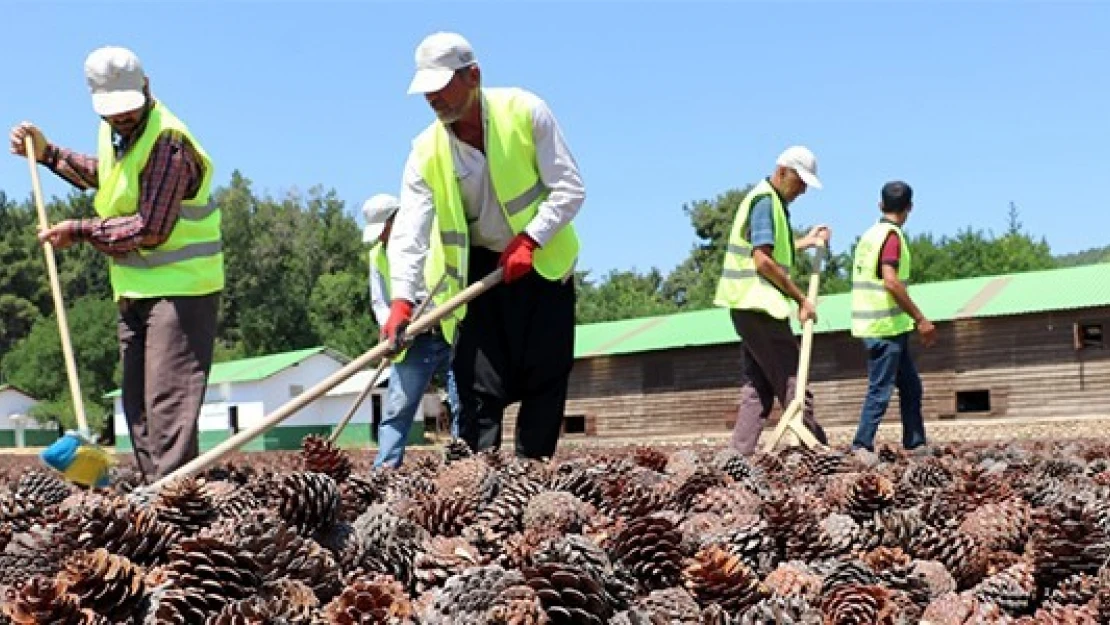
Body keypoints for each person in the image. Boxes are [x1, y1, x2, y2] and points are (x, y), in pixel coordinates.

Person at [9, 46, 222, 481]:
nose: (121, 119)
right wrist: (50, 155)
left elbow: (151, 228)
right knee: (138, 404)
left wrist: (80, 230)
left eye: (128, 110)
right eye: (112, 113)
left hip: (182, 291)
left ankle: (176, 500)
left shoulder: (168, 141)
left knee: (168, 401)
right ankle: (152, 494)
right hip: (135, 290)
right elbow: (106, 178)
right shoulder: (119, 136)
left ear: (147, 87)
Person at [385, 32, 586, 460]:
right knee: (478, 390)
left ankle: (533, 480)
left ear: (473, 75)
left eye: (441, 87)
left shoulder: (526, 112)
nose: (432, 99)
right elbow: (410, 230)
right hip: (477, 279)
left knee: (544, 379)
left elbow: (569, 188)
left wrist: (531, 238)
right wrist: (402, 299)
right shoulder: (425, 151)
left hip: (542, 267)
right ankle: (477, 487)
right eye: (426, 91)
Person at [714, 146, 832, 455]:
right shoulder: (765, 202)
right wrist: (801, 299)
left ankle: (736, 458)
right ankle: (812, 454)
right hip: (759, 306)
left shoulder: (771, 203)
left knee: (758, 388)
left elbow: (770, 248)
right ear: (781, 171)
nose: (804, 190)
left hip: (748, 308)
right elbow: (763, 262)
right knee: (794, 380)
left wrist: (804, 242)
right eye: (800, 181)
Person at [362, 193, 460, 467]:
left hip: (448, 329)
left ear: (398, 219)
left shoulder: (432, 237)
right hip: (411, 341)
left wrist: (432, 313)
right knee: (398, 408)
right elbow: (379, 300)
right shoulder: (377, 255)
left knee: (461, 403)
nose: (382, 238)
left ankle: (465, 468)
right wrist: (391, 326)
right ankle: (384, 471)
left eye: (384, 230)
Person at [849, 181, 937, 457]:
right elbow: (891, 281)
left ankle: (916, 443)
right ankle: (861, 445)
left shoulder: (869, 235)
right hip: (884, 328)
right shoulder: (891, 238)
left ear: (880, 204)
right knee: (881, 390)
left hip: (882, 327)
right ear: (910, 208)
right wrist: (921, 318)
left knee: (911, 385)